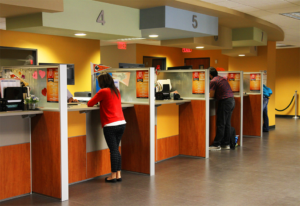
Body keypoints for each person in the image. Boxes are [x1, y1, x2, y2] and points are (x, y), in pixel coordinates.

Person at [87, 72, 126, 183]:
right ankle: (118, 174)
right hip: (122, 123)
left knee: (113, 150)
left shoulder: (103, 91)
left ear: (102, 82)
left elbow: (90, 103)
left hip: (110, 124)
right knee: (116, 149)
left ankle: (113, 176)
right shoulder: (116, 91)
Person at [209, 67, 235, 150]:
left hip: (225, 102)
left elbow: (211, 95)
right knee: (227, 123)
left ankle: (217, 144)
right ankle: (226, 143)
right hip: (231, 101)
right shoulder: (221, 78)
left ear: (209, 74)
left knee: (221, 123)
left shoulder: (213, 81)